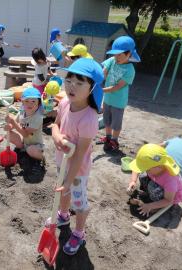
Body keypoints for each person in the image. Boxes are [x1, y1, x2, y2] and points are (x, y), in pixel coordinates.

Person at [47, 58, 104, 255]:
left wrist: (70, 180)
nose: (72, 86)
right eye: (69, 80)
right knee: (63, 192)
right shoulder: (64, 102)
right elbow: (55, 124)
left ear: (93, 88)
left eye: (80, 83)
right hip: (61, 162)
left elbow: (80, 153)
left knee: (79, 203)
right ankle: (63, 215)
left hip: (77, 170)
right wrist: (56, 137)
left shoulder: (89, 118)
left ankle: (79, 232)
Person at [128, 127, 182, 193]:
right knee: (157, 189)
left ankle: (148, 186)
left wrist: (133, 181)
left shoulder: (175, 140)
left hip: (157, 169)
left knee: (144, 175)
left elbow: (156, 147)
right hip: (171, 179)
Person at [99, 36, 140, 151]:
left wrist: (101, 90)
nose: (117, 57)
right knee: (107, 120)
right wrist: (98, 80)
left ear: (129, 54)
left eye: (120, 55)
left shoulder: (130, 70)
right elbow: (104, 72)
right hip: (107, 99)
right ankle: (107, 138)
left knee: (116, 124)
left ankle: (114, 140)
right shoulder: (112, 60)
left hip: (118, 101)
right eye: (115, 54)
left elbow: (117, 87)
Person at [127, 144, 182, 217]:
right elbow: (136, 169)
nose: (146, 170)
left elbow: (168, 200)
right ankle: (149, 195)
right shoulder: (155, 168)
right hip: (158, 184)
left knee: (152, 187)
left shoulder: (170, 180)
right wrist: (133, 181)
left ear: (159, 167)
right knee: (143, 176)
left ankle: (156, 207)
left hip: (170, 197)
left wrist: (149, 206)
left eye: (147, 169)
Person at [4, 87, 44, 161]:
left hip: (35, 145)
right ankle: (22, 148)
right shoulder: (22, 112)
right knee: (8, 134)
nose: (30, 104)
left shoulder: (38, 118)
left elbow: (25, 134)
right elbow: (13, 125)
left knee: (32, 150)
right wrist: (9, 126)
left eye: (33, 101)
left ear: (38, 103)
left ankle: (40, 158)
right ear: (22, 102)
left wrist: (12, 122)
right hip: (24, 143)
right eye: (27, 101)